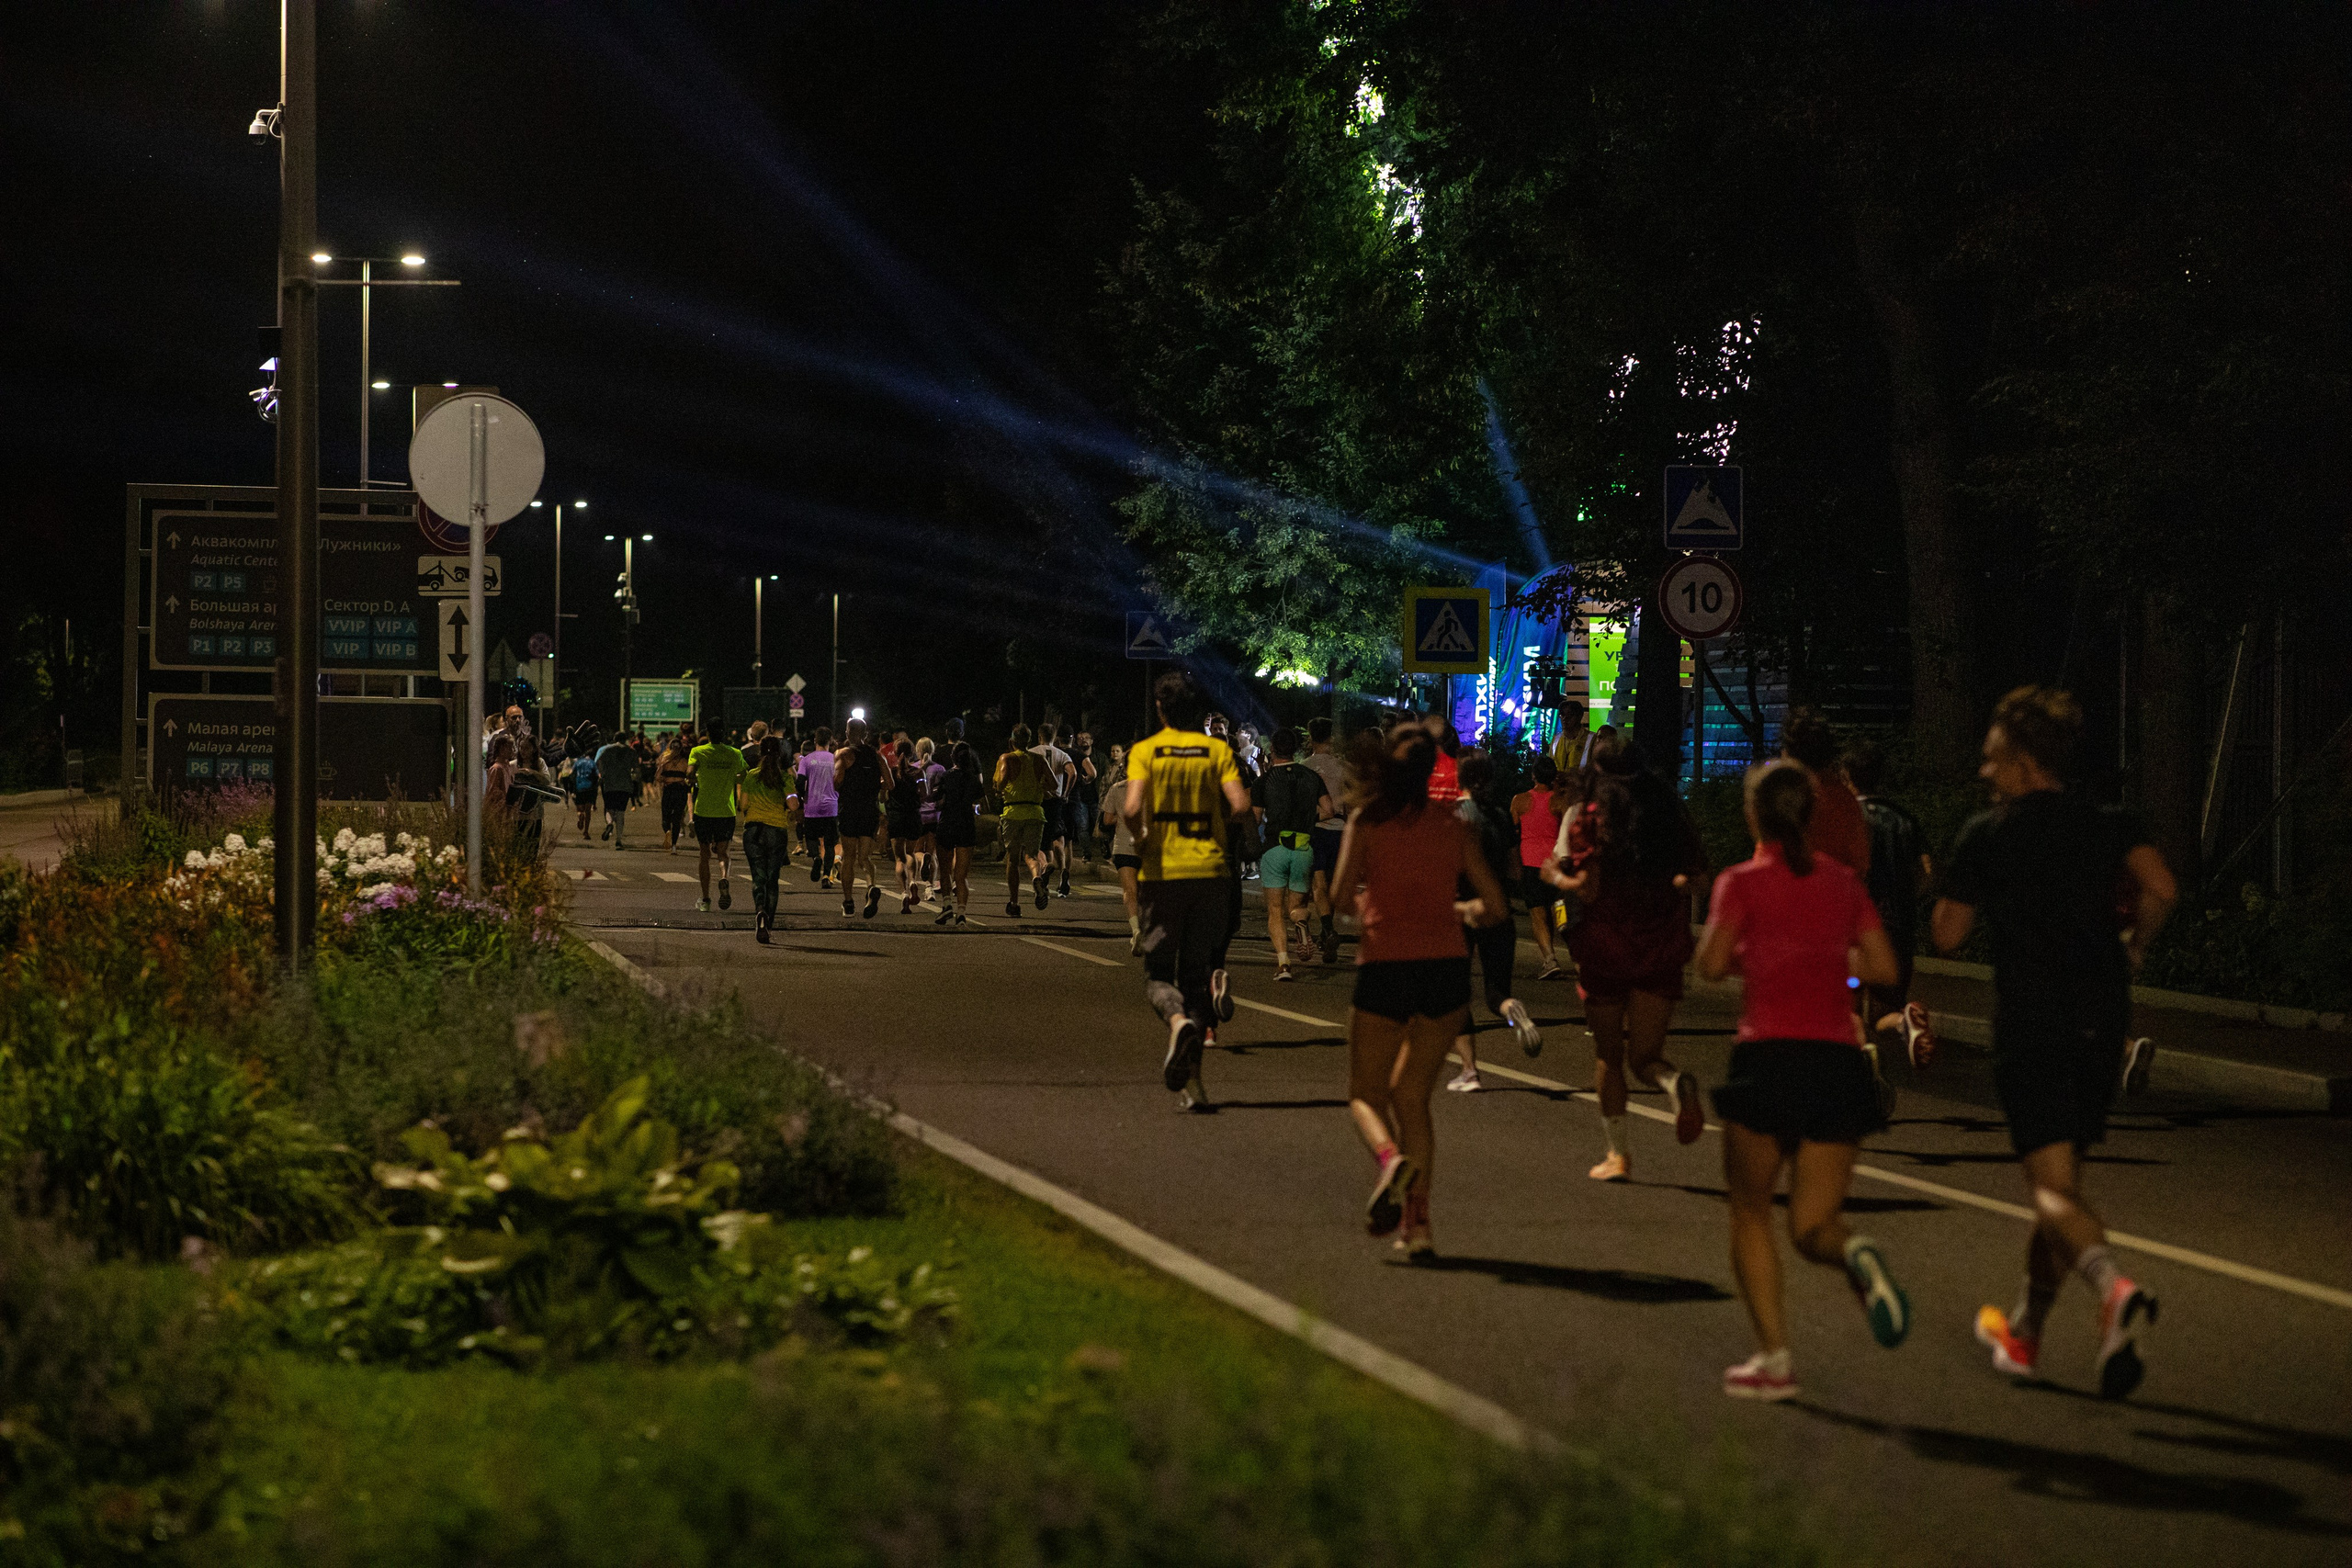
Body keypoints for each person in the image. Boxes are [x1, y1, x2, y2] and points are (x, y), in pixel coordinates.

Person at [1932, 686, 2177, 1401]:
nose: (1984, 772)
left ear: (2024, 760)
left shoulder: (1989, 833)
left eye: (1992, 759)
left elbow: (1947, 932)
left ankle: (2114, 1285)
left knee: (2053, 1189)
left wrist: (1961, 885)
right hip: (2102, 1017)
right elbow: (2162, 888)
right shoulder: (2109, 824)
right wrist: (2132, 949)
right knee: (2058, 1185)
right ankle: (2026, 1329)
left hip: (2033, 1021)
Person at [1698, 760, 1912, 1401]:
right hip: (1837, 1063)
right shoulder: (1843, 882)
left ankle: (1775, 1356)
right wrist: (1824, 955)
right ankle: (1855, 1254)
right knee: (1815, 1224)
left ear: (1753, 816)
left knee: (1751, 1210)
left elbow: (1710, 963)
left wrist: (1761, 953)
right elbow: (1881, 965)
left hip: (1768, 1057)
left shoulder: (1741, 881)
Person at [1330, 724, 1512, 1258]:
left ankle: (1390, 1163)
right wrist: (1458, 910)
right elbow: (1496, 907)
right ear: (1435, 768)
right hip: (1445, 971)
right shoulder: (1454, 825)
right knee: (1412, 1097)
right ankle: (1419, 1228)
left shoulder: (1367, 821)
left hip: (1386, 964)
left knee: (1366, 1094)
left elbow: (1339, 898)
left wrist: (1371, 907)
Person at [1542, 733, 1709, 1180]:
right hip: (1659, 943)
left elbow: (1574, 875)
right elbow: (1695, 877)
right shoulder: (1667, 814)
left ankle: (1618, 1155)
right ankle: (1675, 1083)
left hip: (1603, 947)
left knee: (1609, 1054)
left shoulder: (1585, 818)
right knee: (1647, 1057)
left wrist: (1565, 883)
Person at [1123, 671, 1254, 1111]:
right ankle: (1194, 1083)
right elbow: (1239, 806)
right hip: (1211, 874)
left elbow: (1132, 807)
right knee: (1197, 976)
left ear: (1160, 709)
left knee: (1160, 976)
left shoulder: (1146, 752)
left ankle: (1177, 1023)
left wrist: (1142, 839)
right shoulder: (1217, 750)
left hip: (1163, 875)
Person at [1447, 750, 1543, 1091]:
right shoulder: (1501, 816)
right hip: (1498, 908)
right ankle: (1511, 1008)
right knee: (1496, 991)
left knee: (1455, 994)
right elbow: (1515, 868)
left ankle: (1470, 1071)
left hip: (1459, 910)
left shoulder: (1453, 815)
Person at [1845, 740, 1937, 1068]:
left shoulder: (1846, 819)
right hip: (1896, 928)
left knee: (1848, 1009)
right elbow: (1926, 873)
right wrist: (1906, 899)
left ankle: (1864, 1078)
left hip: (1853, 931)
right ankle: (1904, 1023)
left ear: (1847, 777)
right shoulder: (1905, 820)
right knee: (1885, 1008)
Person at [1252, 727, 1331, 982]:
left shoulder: (1263, 781)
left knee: (1275, 910)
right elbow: (1329, 810)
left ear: (1272, 749)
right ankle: (1301, 921)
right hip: (1304, 848)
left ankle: (1284, 964)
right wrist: (1309, 818)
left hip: (1275, 847)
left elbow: (1254, 818)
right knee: (1297, 906)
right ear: (1297, 749)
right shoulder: (1311, 776)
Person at [1781, 707, 1870, 877]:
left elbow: (1768, 860)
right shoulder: (1845, 801)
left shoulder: (1782, 799)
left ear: (1788, 753)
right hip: (1835, 898)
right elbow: (1860, 866)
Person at [1510, 755, 1574, 980]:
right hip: (1554, 865)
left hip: (1529, 864)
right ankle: (1578, 957)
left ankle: (1549, 959)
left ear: (1533, 775)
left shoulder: (1519, 801)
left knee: (1537, 914)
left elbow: (1515, 834)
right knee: (1560, 911)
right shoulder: (1559, 801)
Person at [740, 736, 797, 942]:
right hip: (776, 831)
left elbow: (743, 805)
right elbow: (793, 805)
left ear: (760, 753)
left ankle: (760, 910)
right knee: (773, 879)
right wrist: (789, 797)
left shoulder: (751, 776)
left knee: (758, 877)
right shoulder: (784, 777)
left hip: (753, 830)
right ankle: (768, 922)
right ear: (780, 754)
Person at [1302, 716, 1349, 964]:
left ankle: (1328, 930)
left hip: (1317, 828)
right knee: (1332, 886)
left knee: (1318, 885)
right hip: (1340, 829)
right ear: (1332, 737)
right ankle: (1325, 933)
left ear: (1311, 737)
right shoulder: (1343, 767)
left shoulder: (1305, 767)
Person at [833, 718, 891, 919]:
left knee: (848, 857)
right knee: (864, 857)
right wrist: (876, 785)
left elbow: (837, 781)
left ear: (848, 733)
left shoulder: (843, 754)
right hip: (870, 811)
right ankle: (871, 886)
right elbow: (890, 783)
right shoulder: (877, 756)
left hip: (849, 809)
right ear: (866, 734)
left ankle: (848, 903)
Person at [687, 727, 749, 913]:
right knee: (723, 852)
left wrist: (695, 779)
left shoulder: (698, 751)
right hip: (726, 810)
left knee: (704, 854)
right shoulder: (734, 753)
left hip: (704, 809)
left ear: (708, 733)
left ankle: (705, 899)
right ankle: (724, 877)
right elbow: (744, 775)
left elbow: (689, 773)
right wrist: (730, 777)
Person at [995, 724, 1051, 917]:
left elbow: (1001, 782)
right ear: (1029, 741)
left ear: (1012, 741)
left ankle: (1014, 902)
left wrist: (1003, 787)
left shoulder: (1006, 758)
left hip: (1013, 812)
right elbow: (1053, 783)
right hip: (1035, 812)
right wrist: (1039, 785)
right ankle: (1036, 877)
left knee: (1013, 860)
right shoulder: (1039, 759)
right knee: (1032, 855)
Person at [931, 741, 983, 925]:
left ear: (953, 758)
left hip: (947, 823)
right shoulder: (973, 779)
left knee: (945, 870)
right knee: (961, 875)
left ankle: (947, 906)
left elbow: (935, 796)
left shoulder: (946, 776)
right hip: (966, 824)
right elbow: (980, 798)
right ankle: (961, 912)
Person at [1031, 722, 1076, 903]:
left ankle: (1045, 870)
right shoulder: (1061, 754)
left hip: (1039, 799)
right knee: (1055, 838)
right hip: (1057, 800)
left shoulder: (1033, 752)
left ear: (1039, 736)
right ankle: (1059, 871)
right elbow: (1072, 773)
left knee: (1038, 843)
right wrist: (1066, 792)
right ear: (1054, 736)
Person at [887, 736, 930, 911]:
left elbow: (883, 794)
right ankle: (913, 881)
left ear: (895, 753)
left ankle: (904, 893)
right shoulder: (919, 772)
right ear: (913, 753)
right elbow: (925, 794)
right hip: (913, 816)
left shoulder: (891, 772)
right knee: (911, 852)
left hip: (896, 817)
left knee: (899, 858)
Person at [797, 727, 840, 887]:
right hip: (831, 807)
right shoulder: (835, 759)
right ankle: (827, 876)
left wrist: (803, 796)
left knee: (811, 838)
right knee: (829, 844)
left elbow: (800, 782)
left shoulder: (807, 760)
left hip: (812, 806)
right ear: (830, 741)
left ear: (815, 741)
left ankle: (815, 857)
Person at [1067, 730, 1102, 881]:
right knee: (1082, 826)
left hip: (1095, 796)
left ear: (1092, 741)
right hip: (1080, 796)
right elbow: (1092, 773)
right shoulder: (1075, 755)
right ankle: (1087, 853)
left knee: (1099, 826)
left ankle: (1104, 852)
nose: (1083, 740)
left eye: (1086, 737)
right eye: (1080, 738)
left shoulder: (1099, 757)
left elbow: (1101, 773)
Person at [594, 729, 637, 848]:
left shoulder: (607, 750)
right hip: (625, 784)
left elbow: (598, 762)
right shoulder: (631, 751)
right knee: (621, 812)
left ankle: (609, 823)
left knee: (609, 808)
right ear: (625, 739)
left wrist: (603, 774)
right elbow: (636, 769)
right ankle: (618, 840)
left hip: (610, 783)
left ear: (615, 739)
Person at [655, 730, 694, 854]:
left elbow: (658, 777)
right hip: (681, 790)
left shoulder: (665, 760)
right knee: (677, 819)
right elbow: (689, 776)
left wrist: (663, 771)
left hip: (669, 789)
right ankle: (674, 846)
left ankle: (667, 832)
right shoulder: (684, 761)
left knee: (665, 818)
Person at [567, 739, 600, 840]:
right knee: (588, 811)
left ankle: (580, 815)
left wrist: (572, 788)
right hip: (589, 788)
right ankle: (586, 831)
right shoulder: (592, 763)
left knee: (579, 808)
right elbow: (598, 775)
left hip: (579, 787)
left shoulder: (578, 762)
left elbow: (571, 774)